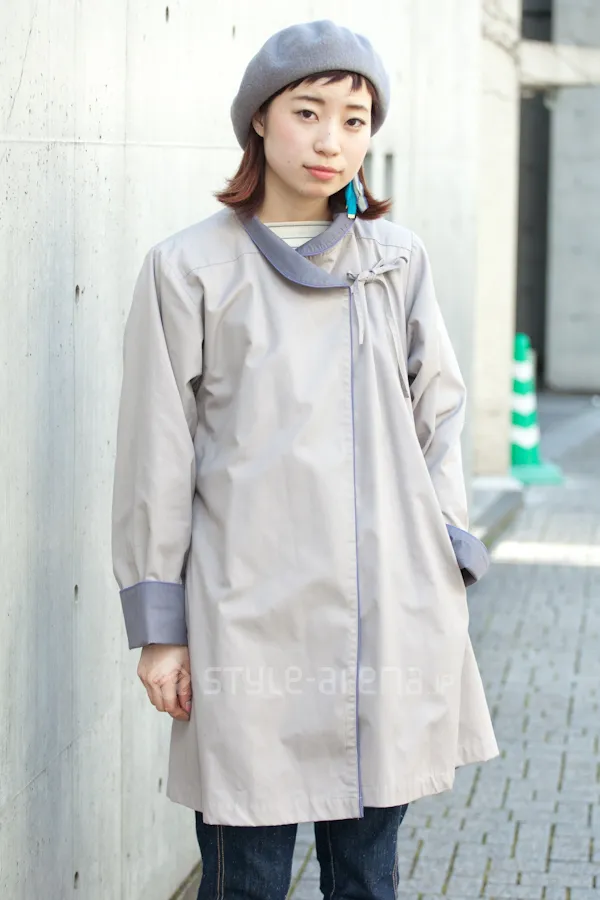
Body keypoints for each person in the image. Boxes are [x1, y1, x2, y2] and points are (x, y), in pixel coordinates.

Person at [111, 20, 499, 900]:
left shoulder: (396, 261)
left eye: (355, 121)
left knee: (366, 876)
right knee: (245, 879)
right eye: (308, 113)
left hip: (387, 613)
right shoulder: (189, 268)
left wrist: (447, 549)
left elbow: (440, 411)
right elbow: (154, 455)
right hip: (248, 618)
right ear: (260, 118)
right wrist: (161, 629)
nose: (332, 142)